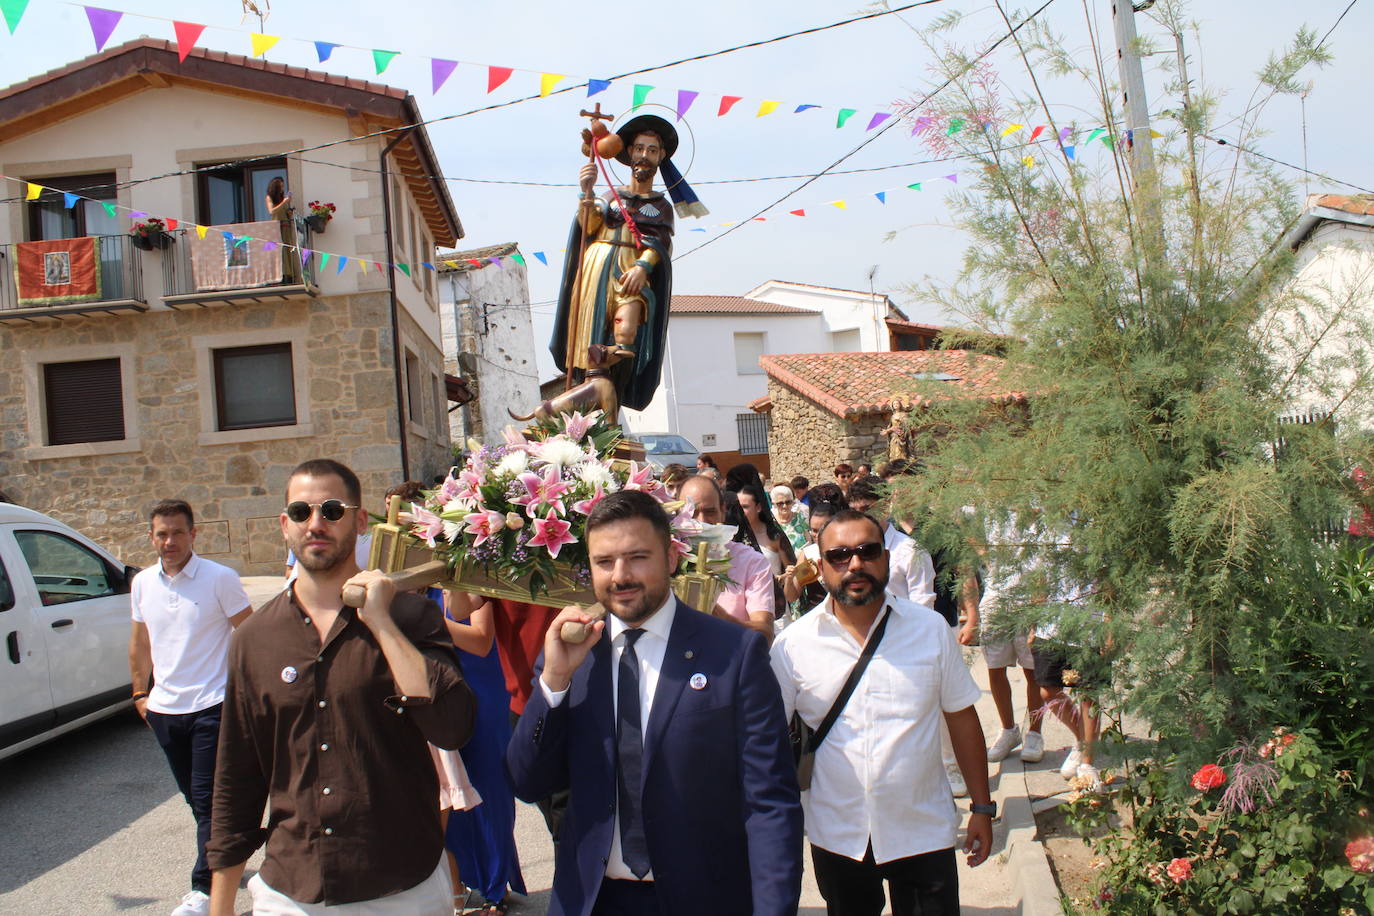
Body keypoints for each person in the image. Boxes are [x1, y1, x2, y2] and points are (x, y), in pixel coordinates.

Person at [505, 489, 803, 916]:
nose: (620, 575)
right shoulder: (572, 658)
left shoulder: (734, 654)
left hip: (706, 899)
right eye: (604, 562)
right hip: (592, 900)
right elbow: (526, 781)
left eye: (638, 557)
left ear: (671, 558)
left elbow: (770, 803)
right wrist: (554, 682)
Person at [206, 459, 477, 916]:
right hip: (294, 889)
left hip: (402, 885)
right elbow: (238, 774)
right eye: (300, 511)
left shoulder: (411, 618)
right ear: (284, 525)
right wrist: (220, 906)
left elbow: (452, 727)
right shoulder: (254, 640)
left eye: (332, 510)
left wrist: (382, 624)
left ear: (360, 520)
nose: (315, 524)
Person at [770, 509, 993, 916]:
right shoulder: (793, 646)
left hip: (922, 828)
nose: (854, 564)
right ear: (820, 570)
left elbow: (962, 718)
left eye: (867, 551)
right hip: (838, 833)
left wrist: (982, 806)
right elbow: (766, 737)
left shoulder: (930, 631)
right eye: (839, 556)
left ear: (886, 559)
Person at [129, 499, 253, 916]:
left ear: (194, 534)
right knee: (196, 800)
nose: (169, 541)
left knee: (207, 800)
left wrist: (244, 694)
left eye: (178, 532)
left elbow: (251, 636)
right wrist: (139, 696)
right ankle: (231, 850)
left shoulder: (220, 579)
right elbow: (141, 642)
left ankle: (204, 890)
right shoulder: (143, 583)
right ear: (151, 537)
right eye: (162, 533)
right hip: (165, 710)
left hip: (212, 706)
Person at [550, 115, 679, 416]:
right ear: (629, 153)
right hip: (597, 268)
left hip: (631, 272)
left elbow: (661, 242)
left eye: (651, 150)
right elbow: (589, 225)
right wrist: (587, 191)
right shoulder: (610, 196)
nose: (644, 155)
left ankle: (613, 391)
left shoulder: (661, 206)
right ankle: (587, 402)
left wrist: (643, 267)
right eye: (639, 148)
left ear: (660, 157)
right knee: (590, 336)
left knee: (627, 332)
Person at [442, 591, 527, 915]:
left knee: (490, 792)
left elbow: (481, 640)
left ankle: (494, 888)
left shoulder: (474, 566)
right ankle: (456, 885)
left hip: (483, 694)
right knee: (449, 791)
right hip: (444, 690)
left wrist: (428, 621)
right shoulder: (421, 579)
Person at [679, 475, 775, 643]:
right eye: (692, 513)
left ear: (723, 511)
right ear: (678, 514)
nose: (702, 522)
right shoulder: (667, 560)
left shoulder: (751, 562)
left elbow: (765, 635)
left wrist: (713, 612)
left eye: (710, 512)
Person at [847, 475, 936, 610]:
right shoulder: (845, 552)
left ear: (885, 505)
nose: (861, 518)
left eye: (867, 509)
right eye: (854, 511)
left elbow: (923, 606)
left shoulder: (911, 552)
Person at [771, 484, 809, 552]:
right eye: (780, 503)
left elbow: (809, 541)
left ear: (792, 502)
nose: (784, 506)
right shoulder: (772, 523)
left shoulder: (800, 517)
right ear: (774, 504)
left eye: (788, 502)